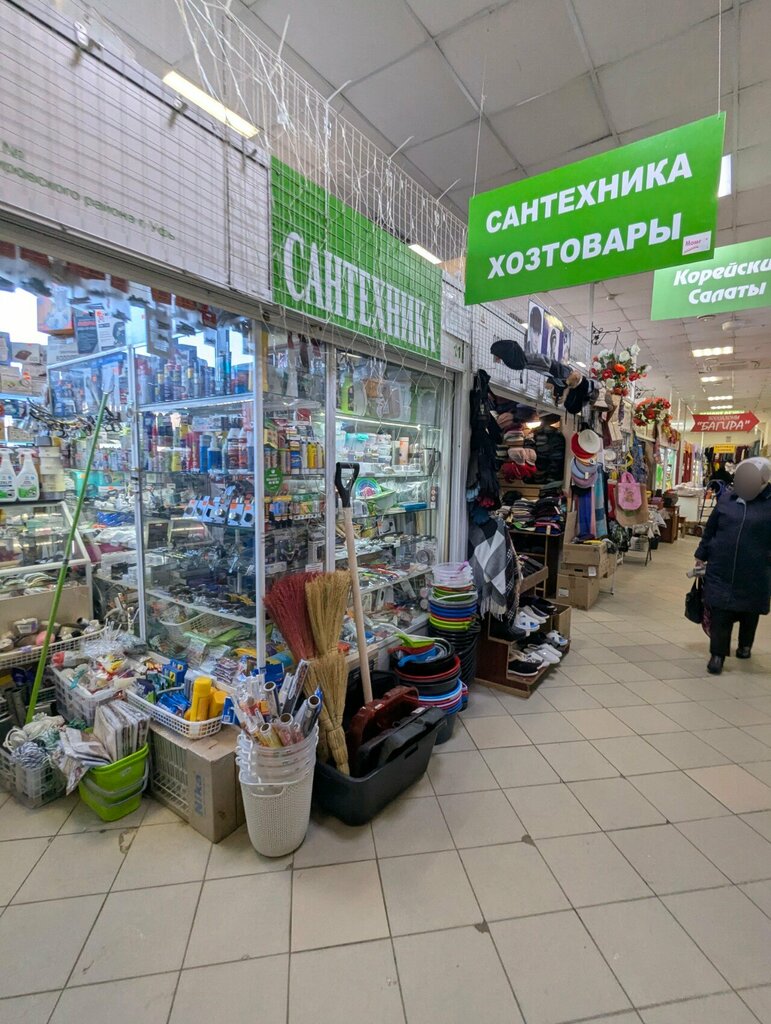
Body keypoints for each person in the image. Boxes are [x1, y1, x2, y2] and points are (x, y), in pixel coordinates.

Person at [694, 457, 771, 674]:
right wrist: (701, 554)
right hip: (722, 566)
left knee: (750, 610)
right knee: (720, 609)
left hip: (755, 569)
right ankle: (717, 654)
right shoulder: (728, 499)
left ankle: (745, 645)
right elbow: (711, 529)